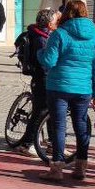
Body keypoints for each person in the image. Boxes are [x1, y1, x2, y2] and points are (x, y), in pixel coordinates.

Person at [35, 0, 95, 182]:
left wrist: (39, 53)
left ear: (66, 13)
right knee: (81, 126)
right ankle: (81, 166)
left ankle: (57, 168)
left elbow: (49, 61)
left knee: (59, 126)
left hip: (59, 86)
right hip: (83, 88)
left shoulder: (59, 34)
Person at [11, 9, 57, 154]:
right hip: (42, 77)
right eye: (56, 20)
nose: (58, 23)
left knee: (50, 110)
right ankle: (27, 143)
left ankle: (52, 143)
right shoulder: (41, 39)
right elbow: (44, 63)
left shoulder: (39, 33)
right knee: (41, 111)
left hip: (43, 77)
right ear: (50, 24)